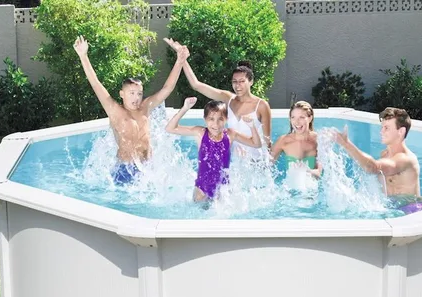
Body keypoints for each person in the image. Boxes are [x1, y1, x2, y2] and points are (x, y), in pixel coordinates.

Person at [73, 35, 189, 185]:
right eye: (132, 93)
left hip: (147, 168)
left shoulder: (145, 107)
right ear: (122, 94)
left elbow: (167, 88)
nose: (136, 98)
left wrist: (180, 61)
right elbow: (95, 83)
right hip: (125, 170)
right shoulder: (115, 111)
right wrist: (83, 56)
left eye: (139, 93)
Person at [164, 40, 272, 160]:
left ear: (251, 82)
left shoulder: (261, 105)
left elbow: (267, 141)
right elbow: (196, 85)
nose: (237, 86)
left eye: (242, 81)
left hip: (255, 161)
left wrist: (266, 163)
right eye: (234, 82)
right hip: (234, 161)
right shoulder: (228, 98)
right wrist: (182, 57)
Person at [333, 107, 422, 214]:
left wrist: (347, 144)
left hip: (410, 209)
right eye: (382, 127)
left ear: (401, 131)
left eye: (386, 128)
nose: (381, 132)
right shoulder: (385, 154)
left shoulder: (406, 159)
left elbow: (373, 167)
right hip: (393, 206)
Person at [165, 97, 262, 203]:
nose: (216, 124)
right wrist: (185, 108)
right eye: (211, 119)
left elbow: (256, 144)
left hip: (223, 190)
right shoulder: (200, 133)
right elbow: (170, 128)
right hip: (202, 190)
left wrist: (252, 126)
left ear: (226, 119)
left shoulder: (230, 134)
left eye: (220, 119)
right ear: (205, 119)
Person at [270, 101, 322, 191]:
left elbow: (319, 173)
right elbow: (267, 164)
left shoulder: (318, 140)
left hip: (311, 191)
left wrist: (306, 171)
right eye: (293, 117)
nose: (297, 122)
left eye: (301, 117)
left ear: (310, 118)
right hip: (289, 191)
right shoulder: (283, 141)